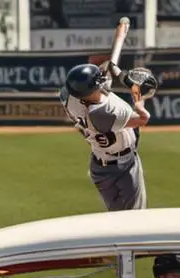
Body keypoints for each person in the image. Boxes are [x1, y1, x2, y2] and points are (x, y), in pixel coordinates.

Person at [58, 61, 157, 212]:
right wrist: (138, 95)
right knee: (134, 216)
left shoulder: (69, 100)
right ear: (90, 90)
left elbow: (96, 79)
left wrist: (107, 71)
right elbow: (143, 118)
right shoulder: (103, 113)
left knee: (116, 215)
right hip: (124, 166)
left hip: (99, 167)